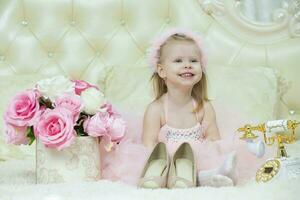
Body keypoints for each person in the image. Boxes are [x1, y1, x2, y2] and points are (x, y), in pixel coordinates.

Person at [139, 28, 236, 189]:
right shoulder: (156, 109)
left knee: (220, 162)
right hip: (166, 165)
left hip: (197, 162)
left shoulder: (203, 107)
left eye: (193, 61)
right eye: (178, 61)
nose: (187, 66)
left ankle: (211, 174)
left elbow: (214, 140)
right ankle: (207, 177)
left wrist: (212, 157)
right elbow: (149, 145)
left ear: (201, 68)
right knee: (158, 170)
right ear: (162, 70)